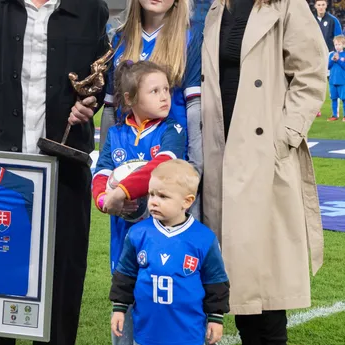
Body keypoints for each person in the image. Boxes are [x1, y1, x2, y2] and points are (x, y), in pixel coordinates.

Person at [0, 0, 109, 344]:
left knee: (60, 294)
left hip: (64, 173)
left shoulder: (91, 8)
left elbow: (100, 77)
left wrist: (91, 100)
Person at [201, 0, 327, 344]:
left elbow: (312, 74)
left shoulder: (286, 5)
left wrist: (283, 138)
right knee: (240, 289)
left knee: (268, 296)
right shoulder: (215, 9)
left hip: (264, 158)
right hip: (221, 157)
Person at [92, 60, 187, 345]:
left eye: (166, 89)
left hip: (162, 243)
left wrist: (122, 191)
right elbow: (101, 173)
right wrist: (104, 200)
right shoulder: (116, 134)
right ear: (131, 99)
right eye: (154, 90)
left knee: (159, 313)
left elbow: (159, 167)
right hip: (124, 239)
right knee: (124, 306)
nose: (164, 96)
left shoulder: (173, 130)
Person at [98, 0, 203, 220]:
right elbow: (110, 109)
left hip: (172, 162)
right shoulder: (119, 39)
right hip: (125, 166)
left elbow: (194, 107)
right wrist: (108, 172)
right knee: (127, 247)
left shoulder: (191, 37)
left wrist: (196, 166)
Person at [109, 159, 230, 345]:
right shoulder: (137, 233)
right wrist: (119, 308)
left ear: (187, 201)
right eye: (151, 195)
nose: (153, 202)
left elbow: (215, 282)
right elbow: (125, 275)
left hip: (188, 333)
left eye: (163, 197)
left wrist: (215, 318)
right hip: (146, 333)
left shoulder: (204, 238)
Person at [327, 35, 345, 121]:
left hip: (342, 81)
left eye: (339, 44)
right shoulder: (331, 55)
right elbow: (328, 67)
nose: (337, 46)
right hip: (332, 81)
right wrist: (332, 60)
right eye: (336, 44)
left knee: (344, 99)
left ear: (343, 45)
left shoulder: (344, 55)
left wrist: (338, 60)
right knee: (333, 98)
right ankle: (334, 115)